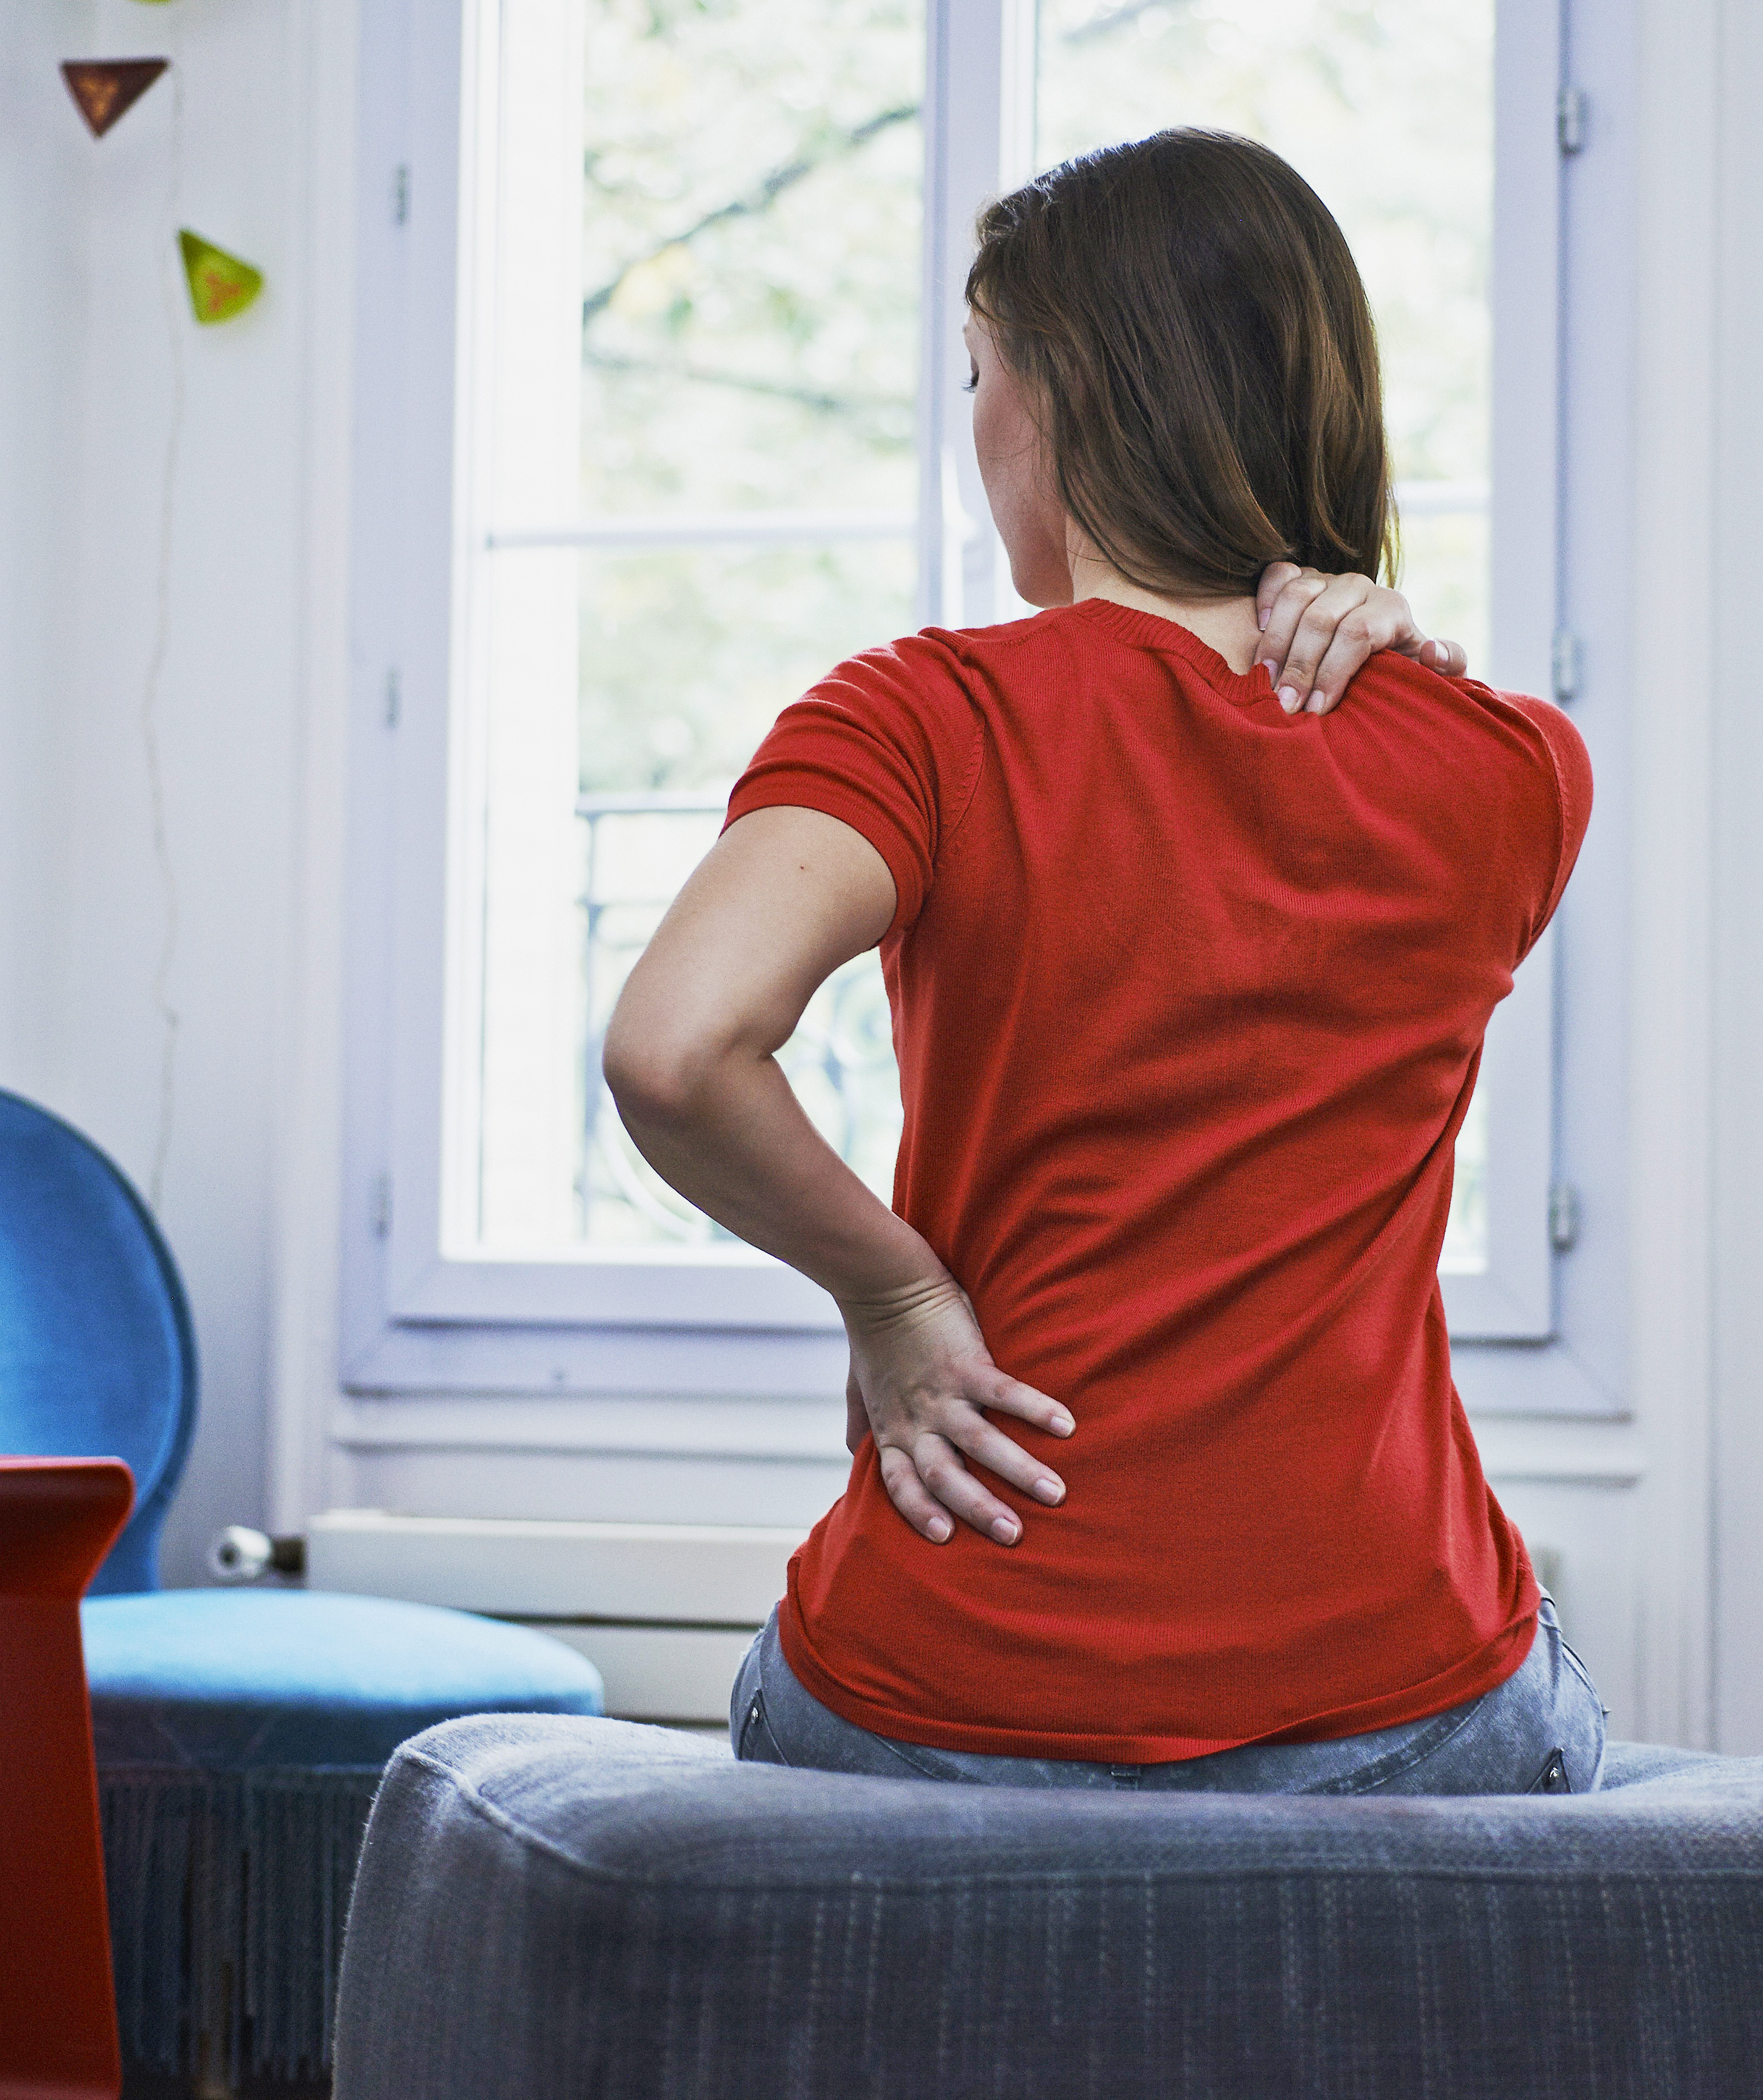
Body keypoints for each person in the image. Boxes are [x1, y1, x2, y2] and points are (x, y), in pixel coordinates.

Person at [603, 128, 1600, 1793]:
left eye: (978, 371)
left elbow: (676, 1048)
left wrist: (896, 1293)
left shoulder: (926, 713)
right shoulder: (1515, 769)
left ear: (1063, 399)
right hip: (1398, 1699)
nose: (969, 422)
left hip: (941, 1691)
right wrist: (1405, 650)